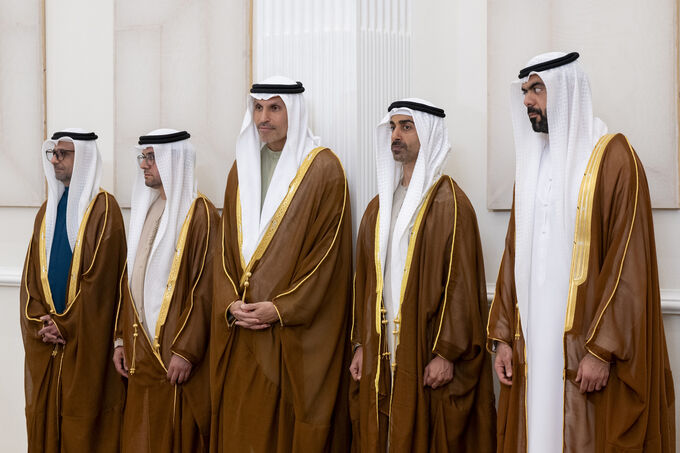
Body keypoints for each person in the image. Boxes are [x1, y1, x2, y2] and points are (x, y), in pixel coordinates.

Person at [488, 51, 675, 452]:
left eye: (537, 88)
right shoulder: (532, 165)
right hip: (533, 341)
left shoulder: (613, 158)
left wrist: (601, 350)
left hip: (582, 349)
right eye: (525, 91)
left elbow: (630, 264)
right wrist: (504, 337)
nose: (527, 101)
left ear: (566, 90)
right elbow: (512, 255)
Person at [210, 76, 353, 452]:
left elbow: (328, 258)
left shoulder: (324, 170)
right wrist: (230, 303)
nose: (264, 118)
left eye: (274, 107)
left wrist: (279, 309)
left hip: (286, 336)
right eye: (258, 108)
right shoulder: (240, 170)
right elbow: (224, 250)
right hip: (241, 328)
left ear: (295, 111)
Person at [349, 99, 496, 452]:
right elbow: (365, 283)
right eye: (393, 128)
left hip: (426, 346)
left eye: (406, 127)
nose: (396, 136)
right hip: (382, 346)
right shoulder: (378, 207)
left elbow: (461, 283)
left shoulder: (450, 204)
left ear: (428, 135)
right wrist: (360, 344)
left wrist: (447, 353)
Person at [20, 129, 126, 452]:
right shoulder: (47, 210)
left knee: (85, 429)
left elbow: (102, 284)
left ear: (84, 159)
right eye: (54, 153)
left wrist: (66, 324)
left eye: (64, 154)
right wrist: (41, 321)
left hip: (85, 344)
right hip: (52, 343)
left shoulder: (104, 210)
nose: (55, 160)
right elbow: (30, 280)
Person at [113, 129, 218, 452]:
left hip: (175, 355)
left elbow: (206, 288)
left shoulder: (199, 213)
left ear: (175, 160)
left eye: (152, 157)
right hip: (140, 349)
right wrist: (120, 339)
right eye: (142, 157)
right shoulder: (148, 207)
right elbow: (131, 280)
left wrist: (186, 350)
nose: (144, 165)